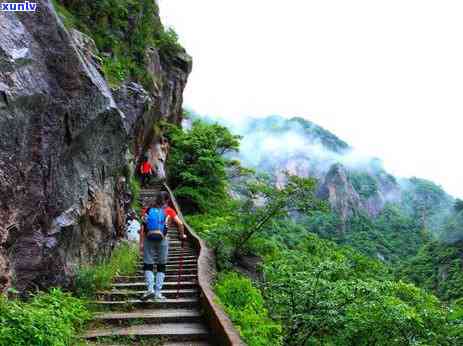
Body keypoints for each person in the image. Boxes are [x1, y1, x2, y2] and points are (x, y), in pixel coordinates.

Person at [140, 194, 186, 301]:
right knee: (161, 266)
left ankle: (150, 289)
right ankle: (157, 293)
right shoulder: (169, 210)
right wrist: (182, 235)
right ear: (167, 200)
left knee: (148, 264)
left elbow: (142, 227)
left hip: (148, 238)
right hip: (163, 240)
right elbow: (180, 224)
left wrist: (141, 243)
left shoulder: (147, 210)